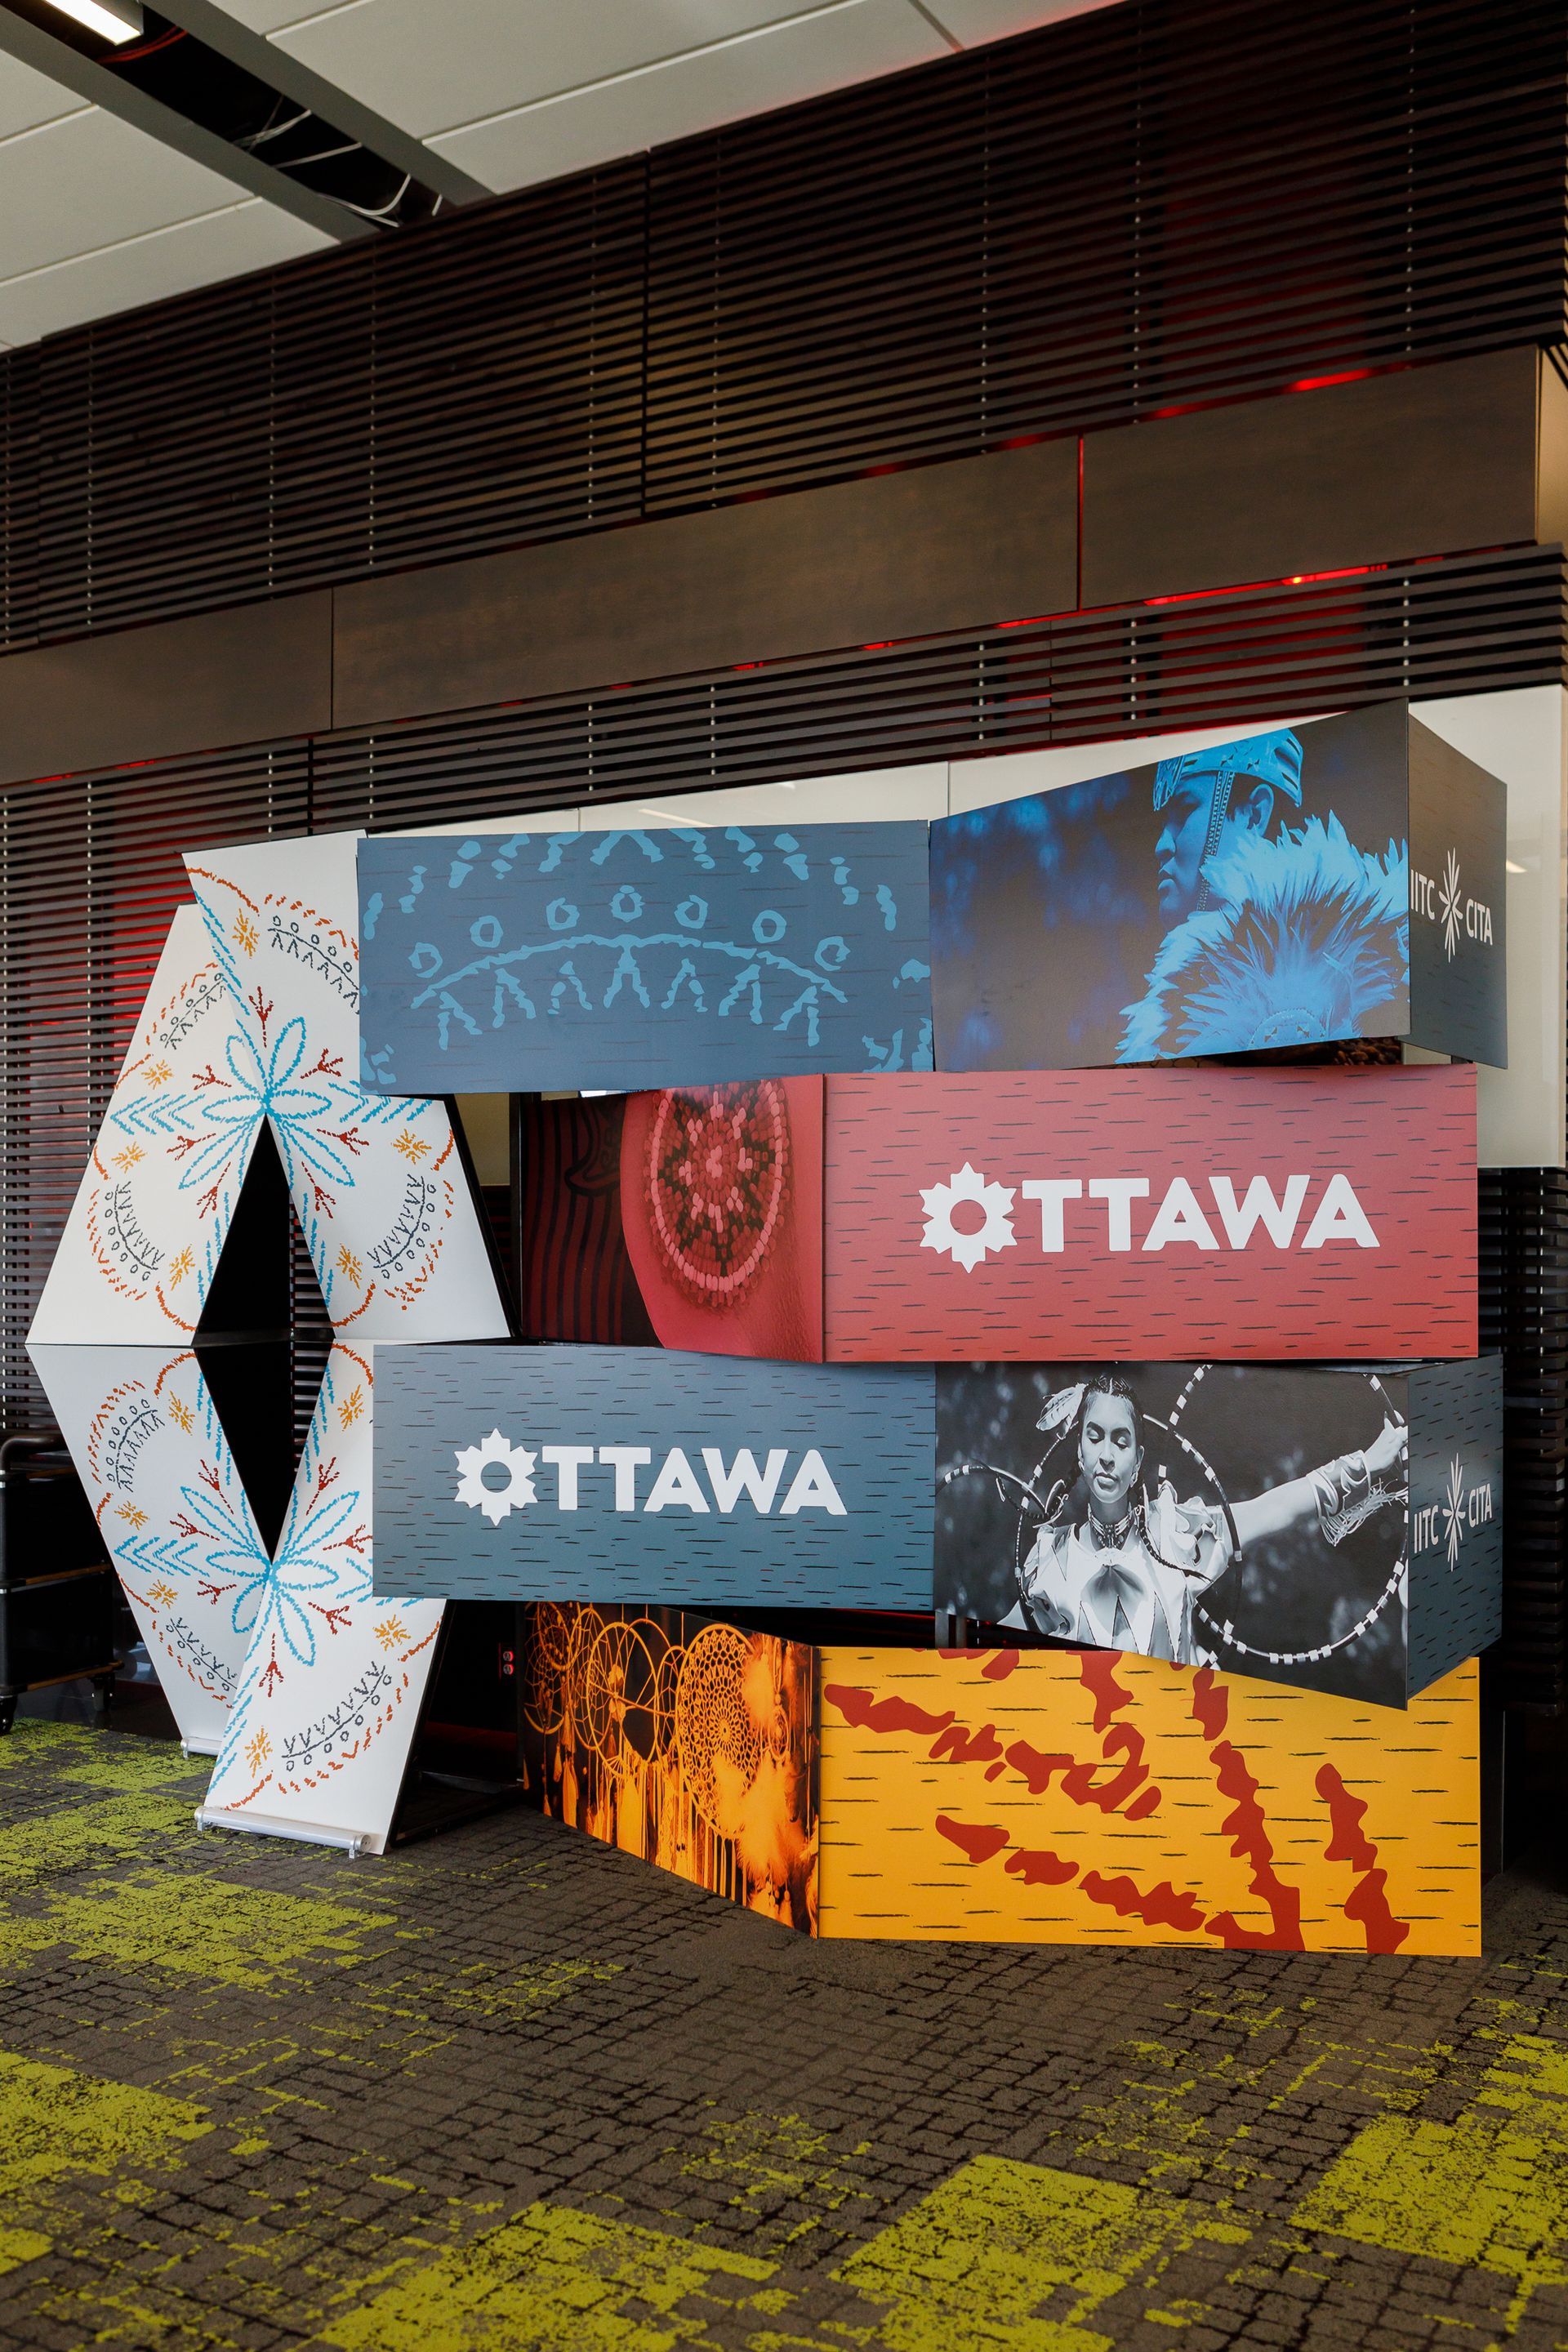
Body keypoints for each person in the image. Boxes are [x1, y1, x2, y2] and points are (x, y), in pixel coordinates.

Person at [999, 1374, 1408, 1665]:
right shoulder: (1051, 1560)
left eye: (1121, 1442)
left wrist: (1367, 1463)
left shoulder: (1177, 1535)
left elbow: (1273, 1508)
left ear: (1139, 1461)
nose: (1107, 1455)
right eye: (1095, 1437)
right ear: (1080, 1450)